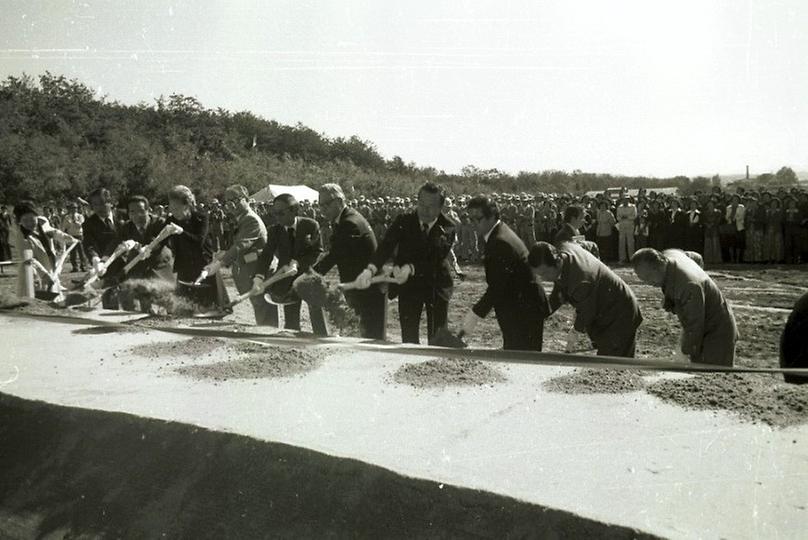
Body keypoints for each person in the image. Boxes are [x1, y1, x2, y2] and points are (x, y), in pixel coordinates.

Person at [355, 182, 456, 344]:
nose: (425, 210)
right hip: (409, 286)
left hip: (435, 285)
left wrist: (410, 268)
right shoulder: (404, 220)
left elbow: (436, 256)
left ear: (441, 207)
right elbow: (386, 246)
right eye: (421, 204)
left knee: (437, 338)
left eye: (431, 206)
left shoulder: (448, 227)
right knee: (408, 337)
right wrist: (370, 269)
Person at [460, 196, 548, 351]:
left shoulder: (499, 242)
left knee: (521, 359)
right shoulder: (498, 233)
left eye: (478, 219)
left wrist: (475, 315)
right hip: (520, 306)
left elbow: (497, 287)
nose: (473, 223)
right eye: (470, 218)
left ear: (492, 216)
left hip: (524, 310)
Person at [529, 241, 642, 357]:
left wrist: (575, 331)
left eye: (544, 273)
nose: (542, 279)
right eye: (538, 275)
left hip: (620, 313)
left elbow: (586, 313)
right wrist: (540, 314)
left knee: (611, 362)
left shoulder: (581, 281)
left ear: (557, 262)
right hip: (605, 308)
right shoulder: (565, 250)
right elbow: (589, 245)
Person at [631, 248, 738, 366]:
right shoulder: (670, 255)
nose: (648, 283)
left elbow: (694, 325)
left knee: (710, 374)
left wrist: (684, 352)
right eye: (643, 279)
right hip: (702, 322)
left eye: (648, 277)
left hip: (716, 332)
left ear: (659, 265)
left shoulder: (688, 286)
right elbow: (694, 256)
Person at [313, 183, 387, 339]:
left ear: (339, 202)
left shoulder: (349, 223)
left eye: (327, 204)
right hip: (362, 285)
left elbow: (334, 255)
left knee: (369, 340)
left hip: (367, 290)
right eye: (320, 205)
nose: (322, 209)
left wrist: (310, 275)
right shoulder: (347, 218)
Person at [253, 193, 328, 336]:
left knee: (318, 318)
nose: (277, 217)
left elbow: (317, 252)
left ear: (294, 210)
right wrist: (259, 276)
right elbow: (266, 255)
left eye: (281, 213)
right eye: (274, 213)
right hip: (287, 281)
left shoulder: (310, 225)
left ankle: (323, 342)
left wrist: (298, 263)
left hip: (309, 278)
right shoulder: (275, 231)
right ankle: (293, 348)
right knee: (291, 321)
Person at [205, 185, 276, 326]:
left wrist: (220, 263)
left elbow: (241, 245)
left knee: (264, 309)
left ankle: (269, 341)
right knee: (260, 308)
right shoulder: (241, 218)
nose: (230, 204)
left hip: (258, 270)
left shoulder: (251, 219)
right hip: (250, 269)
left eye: (235, 200)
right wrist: (223, 254)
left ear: (246, 200)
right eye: (227, 201)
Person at [167, 185, 223, 307]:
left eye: (176, 208)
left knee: (207, 306)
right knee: (184, 305)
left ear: (186, 205)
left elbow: (199, 241)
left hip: (202, 265)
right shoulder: (171, 220)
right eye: (171, 208)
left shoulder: (201, 218)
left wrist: (181, 231)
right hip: (184, 267)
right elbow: (161, 239)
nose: (173, 212)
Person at [13, 201, 76, 298]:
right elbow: (29, 260)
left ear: (36, 216)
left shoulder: (42, 223)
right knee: (35, 301)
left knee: (54, 297)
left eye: (32, 218)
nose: (30, 223)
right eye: (25, 220)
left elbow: (53, 231)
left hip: (49, 265)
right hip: (32, 274)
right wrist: (44, 275)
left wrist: (67, 238)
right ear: (19, 221)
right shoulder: (21, 237)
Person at [616, 196, 637, 263]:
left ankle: (631, 258)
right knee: (621, 242)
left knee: (630, 242)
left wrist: (627, 217)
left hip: (630, 226)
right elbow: (618, 217)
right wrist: (623, 217)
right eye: (624, 199)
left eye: (627, 199)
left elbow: (634, 216)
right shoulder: (619, 207)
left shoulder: (633, 207)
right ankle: (622, 259)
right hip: (622, 226)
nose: (625, 201)